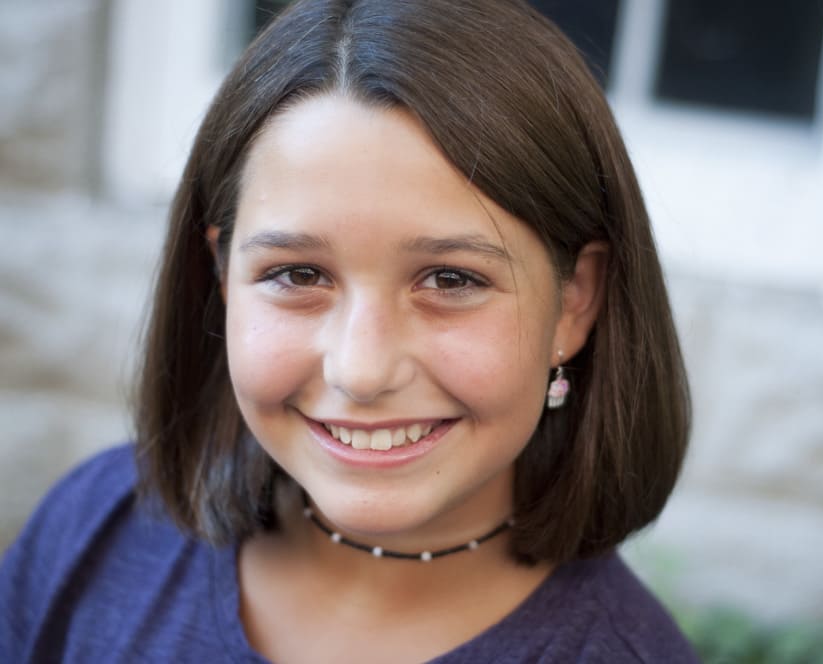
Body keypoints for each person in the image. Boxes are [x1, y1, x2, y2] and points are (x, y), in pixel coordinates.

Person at [0, 0, 696, 661]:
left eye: (450, 280)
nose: (361, 372)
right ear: (220, 274)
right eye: (299, 275)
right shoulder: (97, 529)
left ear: (575, 301)